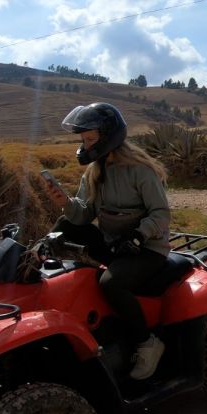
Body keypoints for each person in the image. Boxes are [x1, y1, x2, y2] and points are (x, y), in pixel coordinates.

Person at [42, 102, 171, 381]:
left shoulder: (140, 170)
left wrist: (139, 234)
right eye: (83, 140)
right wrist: (65, 203)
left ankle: (147, 343)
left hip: (147, 249)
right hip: (115, 244)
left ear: (108, 136)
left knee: (110, 283)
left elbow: (161, 214)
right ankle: (32, 263)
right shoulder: (94, 172)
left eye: (90, 139)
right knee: (65, 226)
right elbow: (84, 215)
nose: (85, 145)